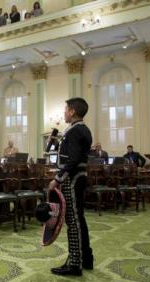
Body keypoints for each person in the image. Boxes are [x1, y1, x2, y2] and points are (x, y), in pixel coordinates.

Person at [48, 97, 93, 276]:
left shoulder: (75, 131)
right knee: (78, 219)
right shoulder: (79, 129)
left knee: (73, 221)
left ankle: (75, 263)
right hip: (78, 177)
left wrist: (58, 179)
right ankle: (86, 258)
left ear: (72, 111)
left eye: (66, 109)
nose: (64, 113)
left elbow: (73, 160)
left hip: (73, 179)